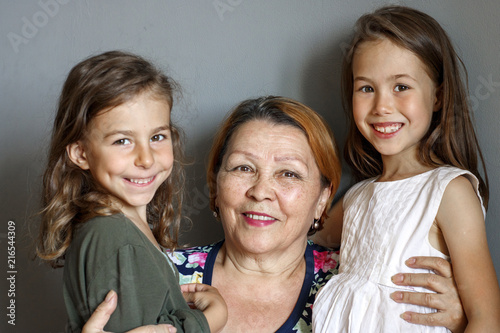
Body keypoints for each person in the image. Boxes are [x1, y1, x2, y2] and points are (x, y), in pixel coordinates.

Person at [84, 96, 468, 333]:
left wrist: (457, 320)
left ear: (322, 199)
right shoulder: (157, 275)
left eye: (288, 174)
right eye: (242, 168)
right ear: (215, 185)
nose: (261, 191)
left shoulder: (358, 285)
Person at [312, 6, 500, 332]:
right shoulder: (355, 197)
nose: (382, 106)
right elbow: (297, 244)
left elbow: (487, 318)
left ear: (438, 96)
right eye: (366, 88)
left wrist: (462, 318)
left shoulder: (448, 191)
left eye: (401, 86)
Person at [36, 51, 227, 332]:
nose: (146, 159)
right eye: (122, 140)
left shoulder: (123, 227)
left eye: (157, 137)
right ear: (81, 153)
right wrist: (211, 318)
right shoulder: (116, 240)